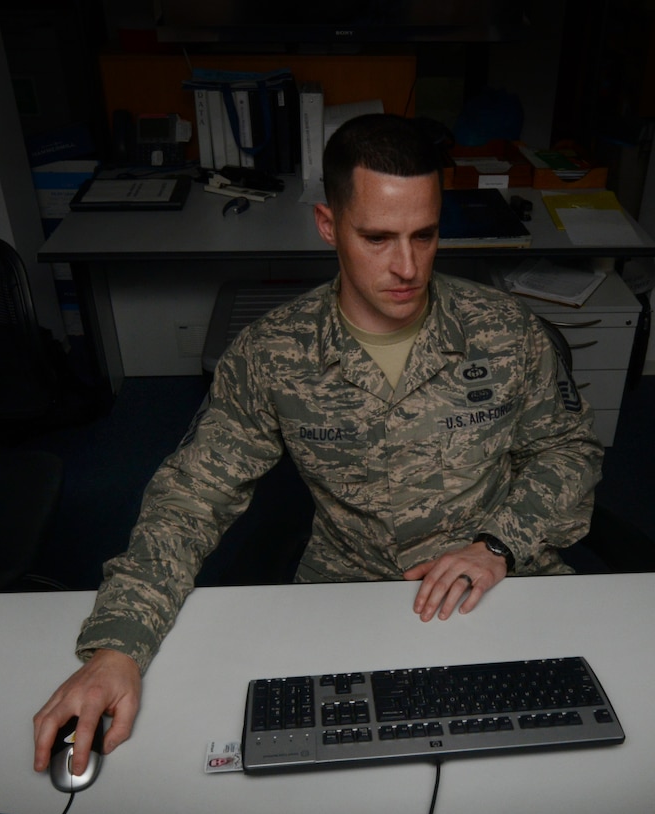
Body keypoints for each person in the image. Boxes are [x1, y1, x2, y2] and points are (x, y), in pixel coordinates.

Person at [32, 114, 604, 775]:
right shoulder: (272, 354)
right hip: (346, 600)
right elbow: (189, 500)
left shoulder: (508, 331)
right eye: (378, 238)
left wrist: (501, 543)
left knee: (559, 773)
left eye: (425, 235)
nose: (407, 266)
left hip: (501, 590)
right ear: (329, 226)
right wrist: (117, 649)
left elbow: (569, 449)